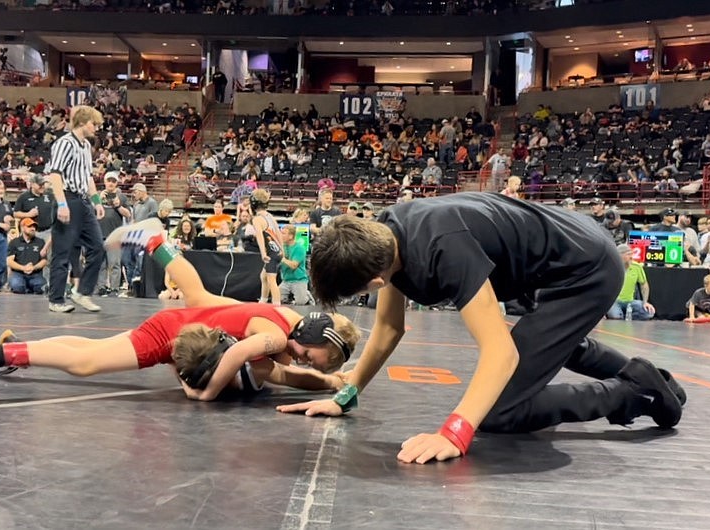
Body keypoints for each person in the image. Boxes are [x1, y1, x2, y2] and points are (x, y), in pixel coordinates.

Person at [277, 193, 686, 464]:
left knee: (499, 411)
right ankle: (646, 377)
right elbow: (387, 328)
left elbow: (500, 352)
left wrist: (456, 432)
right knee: (549, 342)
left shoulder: (444, 250)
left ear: (373, 283)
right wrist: (346, 395)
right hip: (557, 255)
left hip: (585, 268)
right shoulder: (387, 235)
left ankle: (633, 392)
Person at [0, 218, 361, 401]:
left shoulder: (287, 321)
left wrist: (325, 382)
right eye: (310, 355)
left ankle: (156, 241)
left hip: (191, 322)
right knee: (86, 362)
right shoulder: (274, 336)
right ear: (308, 336)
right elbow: (243, 359)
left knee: (199, 297)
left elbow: (289, 371)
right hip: (173, 333)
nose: (302, 358)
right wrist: (203, 393)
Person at [45, 105, 106, 313]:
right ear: (82, 122)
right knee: (62, 253)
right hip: (68, 199)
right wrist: (61, 203)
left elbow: (88, 177)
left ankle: (82, 293)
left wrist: (97, 201)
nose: (96, 128)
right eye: (93, 124)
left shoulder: (86, 147)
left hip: (83, 202)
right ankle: (56, 299)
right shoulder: (64, 143)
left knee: (98, 246)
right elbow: (55, 174)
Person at [250, 189, 284, 305]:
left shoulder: (257, 219)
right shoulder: (269, 216)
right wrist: (282, 249)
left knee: (271, 280)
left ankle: (277, 305)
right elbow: (278, 233)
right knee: (263, 276)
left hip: (271, 254)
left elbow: (260, 237)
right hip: (277, 251)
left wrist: (263, 254)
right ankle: (263, 301)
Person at [606, 244, 655, 320]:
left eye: (631, 254)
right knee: (615, 316)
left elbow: (644, 285)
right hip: (614, 302)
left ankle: (626, 315)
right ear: (620, 256)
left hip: (630, 302)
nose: (631, 257)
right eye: (628, 254)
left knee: (649, 313)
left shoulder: (637, 267)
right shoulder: (612, 267)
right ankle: (621, 314)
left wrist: (645, 302)